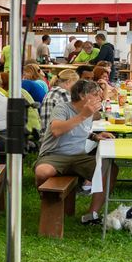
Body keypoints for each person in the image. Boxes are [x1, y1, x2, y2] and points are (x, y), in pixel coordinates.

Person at [33, 78, 109, 225]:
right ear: (82, 95)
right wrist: (83, 115)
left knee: (109, 168)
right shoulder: (63, 108)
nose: (99, 97)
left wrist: (95, 136)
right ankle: (48, 202)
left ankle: (92, 214)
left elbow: (80, 130)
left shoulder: (89, 112)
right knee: (42, 172)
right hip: (54, 154)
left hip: (78, 156)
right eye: (95, 94)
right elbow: (56, 130)